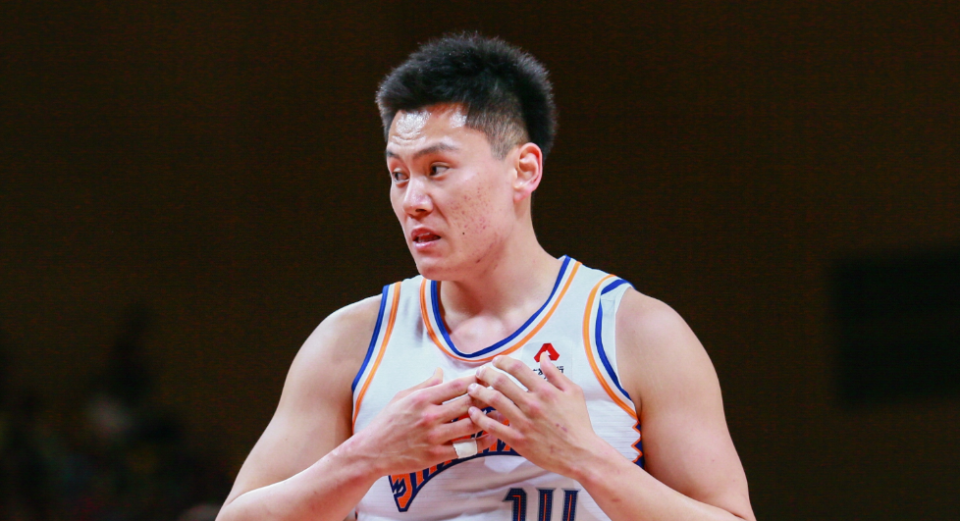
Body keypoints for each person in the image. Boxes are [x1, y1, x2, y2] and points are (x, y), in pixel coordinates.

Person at [216, 34, 755, 521]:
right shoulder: (349, 341)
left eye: (437, 169)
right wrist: (366, 456)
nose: (412, 200)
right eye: (398, 175)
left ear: (524, 170)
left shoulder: (637, 332)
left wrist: (585, 458)